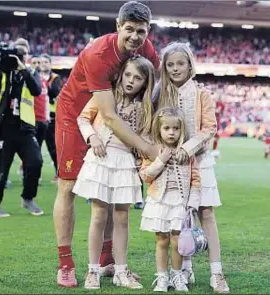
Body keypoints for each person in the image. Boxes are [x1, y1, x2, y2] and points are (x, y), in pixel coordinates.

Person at [53, 1, 160, 287]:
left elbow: (157, 96)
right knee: (68, 184)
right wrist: (146, 149)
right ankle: (66, 263)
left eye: (142, 31)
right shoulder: (98, 54)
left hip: (116, 121)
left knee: (114, 186)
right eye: (130, 30)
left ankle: (108, 261)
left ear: (148, 31)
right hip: (78, 114)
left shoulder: (147, 51)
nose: (135, 38)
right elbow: (109, 116)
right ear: (117, 26)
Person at [74, 56, 155, 289]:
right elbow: (82, 118)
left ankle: (121, 271)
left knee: (122, 218)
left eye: (138, 78)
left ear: (145, 83)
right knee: (99, 215)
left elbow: (144, 137)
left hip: (125, 164)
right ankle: (92, 271)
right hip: (100, 159)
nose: (131, 81)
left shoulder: (144, 107)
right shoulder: (105, 95)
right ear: (121, 74)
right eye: (128, 75)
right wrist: (92, 136)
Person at [156, 42, 230, 293]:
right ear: (164, 68)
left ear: (190, 65)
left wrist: (187, 149)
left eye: (180, 63)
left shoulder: (201, 94)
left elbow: (210, 128)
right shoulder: (160, 94)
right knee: (178, 218)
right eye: (170, 64)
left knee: (206, 213)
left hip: (199, 159)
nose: (176, 68)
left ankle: (216, 273)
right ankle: (185, 268)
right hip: (171, 165)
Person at [140, 107, 201, 292]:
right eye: (166, 128)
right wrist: (160, 161)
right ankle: (162, 278)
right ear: (159, 129)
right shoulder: (154, 151)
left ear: (181, 130)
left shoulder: (187, 153)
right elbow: (145, 175)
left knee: (177, 242)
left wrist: (193, 204)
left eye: (175, 128)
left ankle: (177, 275)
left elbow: (195, 179)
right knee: (162, 241)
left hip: (179, 203)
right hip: (159, 202)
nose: (171, 132)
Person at [0, 38, 44, 217]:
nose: (20, 57)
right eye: (17, 53)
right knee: (1, 170)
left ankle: (28, 198)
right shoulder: (1, 72)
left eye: (24, 54)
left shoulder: (31, 71)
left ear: (28, 55)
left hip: (25, 128)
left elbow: (36, 91)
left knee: (36, 162)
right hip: (3, 128)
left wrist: (23, 70)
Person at [40, 54, 61, 181]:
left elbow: (55, 92)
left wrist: (42, 86)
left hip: (51, 117)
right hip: (37, 116)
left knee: (53, 147)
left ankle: (58, 173)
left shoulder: (55, 78)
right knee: (34, 148)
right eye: (42, 62)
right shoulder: (35, 76)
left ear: (50, 64)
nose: (43, 64)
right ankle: (34, 175)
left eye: (46, 62)